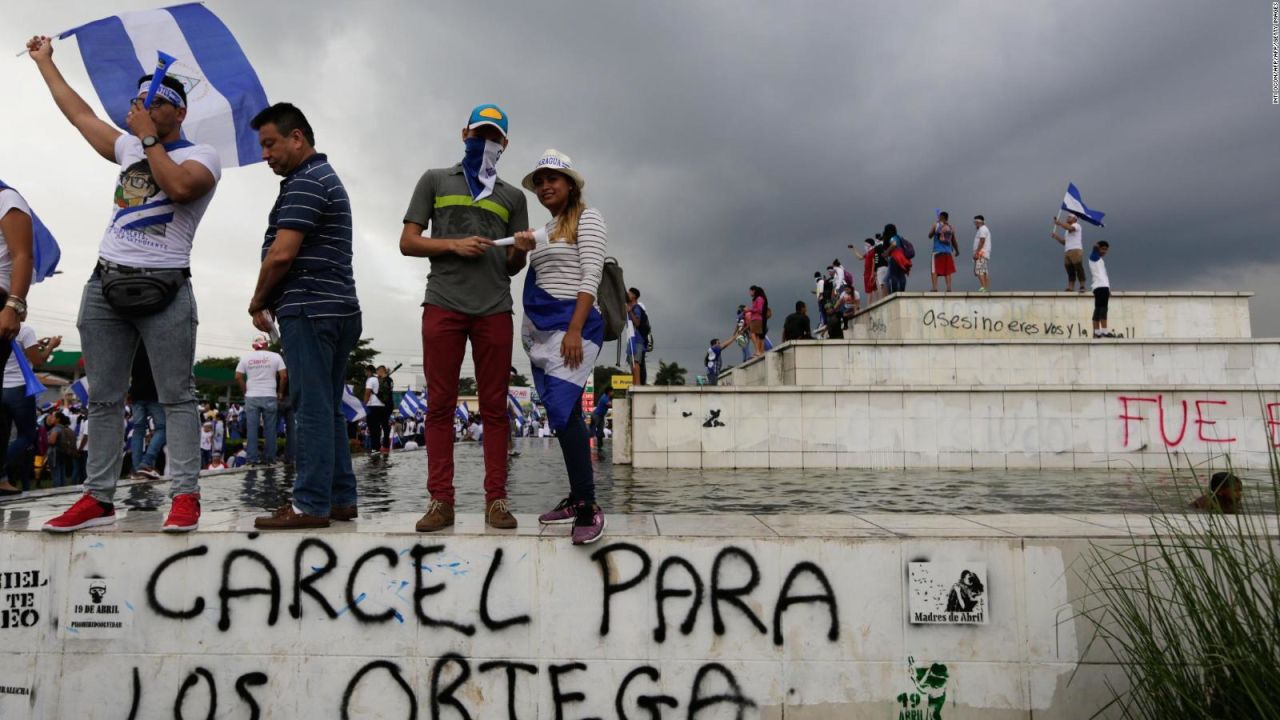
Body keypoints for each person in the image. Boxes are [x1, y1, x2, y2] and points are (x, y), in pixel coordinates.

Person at [29, 35, 220, 533]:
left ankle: (185, 496)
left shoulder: (202, 154)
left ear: (176, 113)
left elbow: (179, 188)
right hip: (106, 286)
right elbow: (79, 114)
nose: (140, 107)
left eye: (153, 101)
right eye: (139, 100)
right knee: (105, 399)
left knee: (177, 396)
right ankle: (97, 498)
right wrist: (46, 63)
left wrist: (150, 140)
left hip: (167, 290)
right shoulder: (128, 145)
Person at [399, 103, 528, 532]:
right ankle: (441, 502)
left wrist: (522, 251)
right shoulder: (435, 179)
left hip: (495, 308)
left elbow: (510, 266)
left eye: (493, 137)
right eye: (479, 134)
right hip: (442, 303)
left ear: (505, 144)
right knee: (438, 406)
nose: (485, 142)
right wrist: (453, 245)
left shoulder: (513, 197)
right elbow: (408, 242)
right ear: (463, 134)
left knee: (495, 408)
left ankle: (496, 501)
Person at [247, 103, 362, 530]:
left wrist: (258, 300)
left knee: (310, 408)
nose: (265, 154)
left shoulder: (307, 181)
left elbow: (281, 254)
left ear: (297, 137)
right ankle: (339, 498)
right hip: (336, 306)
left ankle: (310, 504)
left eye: (270, 143)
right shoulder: (318, 178)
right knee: (328, 407)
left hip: (311, 308)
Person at [514, 149, 607, 544]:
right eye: (539, 181)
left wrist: (574, 328)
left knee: (564, 410)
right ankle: (577, 496)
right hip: (543, 334)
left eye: (553, 179)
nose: (545, 186)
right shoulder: (543, 231)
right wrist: (519, 248)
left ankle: (588, 506)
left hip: (575, 329)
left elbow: (592, 273)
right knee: (560, 415)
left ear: (571, 184)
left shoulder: (589, 218)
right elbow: (512, 265)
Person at [0, 318, 54, 495]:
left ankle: (2, 480)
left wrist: (34, 344)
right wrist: (51, 345)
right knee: (27, 434)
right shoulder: (25, 329)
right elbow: (38, 360)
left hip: (2, 386)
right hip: (20, 387)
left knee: (4, 435)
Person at [236, 334, 287, 465]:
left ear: (254, 346)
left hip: (251, 396)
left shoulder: (246, 358)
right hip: (270, 395)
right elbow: (284, 376)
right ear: (266, 344)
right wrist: (280, 392)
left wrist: (245, 391)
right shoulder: (276, 357)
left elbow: (238, 376)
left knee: (252, 429)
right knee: (270, 429)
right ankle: (270, 458)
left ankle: (251, 459)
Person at [128, 344, 165, 480]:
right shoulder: (156, 347)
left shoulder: (133, 348)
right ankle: (146, 462)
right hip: (154, 394)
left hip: (136, 394)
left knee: (138, 430)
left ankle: (137, 468)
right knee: (162, 428)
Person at [1052, 213, 1086, 293]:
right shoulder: (1066, 231)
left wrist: (1059, 223)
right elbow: (1065, 242)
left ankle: (1082, 286)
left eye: (1069, 217)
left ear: (1075, 219)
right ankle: (1070, 287)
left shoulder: (1077, 225)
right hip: (1068, 250)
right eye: (1067, 217)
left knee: (1078, 267)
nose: (1067, 218)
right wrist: (1056, 237)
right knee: (1070, 270)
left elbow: (1070, 228)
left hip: (1076, 249)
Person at [363, 364, 392, 458]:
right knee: (381, 428)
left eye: (365, 372)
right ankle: (381, 448)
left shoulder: (371, 380)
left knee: (373, 430)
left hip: (373, 406)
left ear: (369, 371)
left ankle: (375, 451)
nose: (365, 374)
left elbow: (367, 392)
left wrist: (364, 405)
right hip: (382, 407)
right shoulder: (381, 380)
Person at [1088, 241, 1115, 338]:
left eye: (1106, 250)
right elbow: (1094, 246)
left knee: (1098, 309)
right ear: (1099, 248)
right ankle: (1104, 331)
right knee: (1103, 309)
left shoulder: (1099, 260)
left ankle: (1097, 332)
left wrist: (1108, 289)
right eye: (1103, 249)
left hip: (1101, 287)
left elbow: (1104, 276)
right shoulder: (1094, 257)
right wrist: (1097, 246)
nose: (1104, 251)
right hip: (1101, 286)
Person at [928, 211, 959, 293]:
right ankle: (949, 288)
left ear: (940, 217)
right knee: (948, 270)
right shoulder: (951, 227)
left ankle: (935, 288)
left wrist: (935, 229)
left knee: (934, 270)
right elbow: (954, 240)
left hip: (937, 251)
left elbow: (929, 235)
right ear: (947, 218)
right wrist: (957, 250)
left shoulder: (936, 225)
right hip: (948, 252)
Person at [626, 287, 651, 386]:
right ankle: (635, 383)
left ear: (634, 296)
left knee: (635, 361)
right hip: (632, 338)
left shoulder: (636, 308)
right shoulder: (631, 307)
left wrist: (629, 311)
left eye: (629, 293)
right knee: (632, 362)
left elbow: (637, 322)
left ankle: (637, 384)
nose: (627, 295)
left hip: (637, 339)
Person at [883, 224, 911, 294]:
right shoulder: (900, 237)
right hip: (903, 257)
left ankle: (894, 292)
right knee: (901, 275)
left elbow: (894, 244)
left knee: (893, 275)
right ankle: (902, 291)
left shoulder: (892, 237)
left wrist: (886, 252)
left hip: (895, 256)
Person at [744, 286, 770, 357]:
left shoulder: (759, 299)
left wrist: (749, 310)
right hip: (756, 318)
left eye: (750, 291)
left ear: (754, 291)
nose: (750, 293)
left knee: (752, 334)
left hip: (757, 318)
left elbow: (759, 310)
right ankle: (758, 351)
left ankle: (758, 350)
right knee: (757, 335)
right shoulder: (758, 299)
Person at [850, 238, 878, 303]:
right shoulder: (868, 253)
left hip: (870, 274)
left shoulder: (873, 251)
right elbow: (860, 258)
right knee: (873, 289)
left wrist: (872, 273)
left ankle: (870, 304)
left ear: (869, 244)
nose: (864, 246)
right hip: (866, 273)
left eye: (865, 244)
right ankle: (876, 302)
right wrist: (854, 249)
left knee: (870, 289)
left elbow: (874, 262)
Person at [972, 215, 991, 291]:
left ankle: (983, 287)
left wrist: (977, 252)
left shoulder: (982, 229)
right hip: (984, 253)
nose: (975, 224)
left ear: (978, 222)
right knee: (984, 271)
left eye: (975, 222)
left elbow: (982, 240)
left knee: (979, 270)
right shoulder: (984, 229)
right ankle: (985, 288)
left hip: (981, 253)